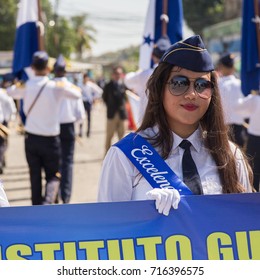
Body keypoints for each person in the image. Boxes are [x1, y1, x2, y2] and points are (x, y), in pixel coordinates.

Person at [98, 35, 253, 216]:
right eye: (179, 83)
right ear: (159, 89)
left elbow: (246, 229)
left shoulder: (231, 156)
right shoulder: (125, 156)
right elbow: (107, 230)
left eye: (202, 85)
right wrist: (143, 215)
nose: (192, 94)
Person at [7, 51, 82, 205]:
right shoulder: (56, 87)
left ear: (33, 67)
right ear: (48, 68)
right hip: (51, 140)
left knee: (34, 176)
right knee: (53, 175)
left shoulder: (26, 86)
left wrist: (24, 80)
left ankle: (37, 209)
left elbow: (10, 91)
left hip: (31, 139)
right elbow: (77, 94)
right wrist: (62, 82)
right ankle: (48, 204)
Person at [53, 54, 86, 204]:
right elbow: (80, 115)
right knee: (67, 163)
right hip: (68, 128)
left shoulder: (48, 86)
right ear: (65, 71)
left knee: (53, 162)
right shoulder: (73, 88)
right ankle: (65, 196)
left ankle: (53, 193)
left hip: (52, 128)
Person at [124, 35, 171, 127]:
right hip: (169, 123)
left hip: (147, 122)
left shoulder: (144, 74)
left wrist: (140, 71)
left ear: (152, 56)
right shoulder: (175, 75)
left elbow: (127, 81)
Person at [217, 53, 247, 148]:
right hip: (239, 128)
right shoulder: (241, 84)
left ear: (221, 66)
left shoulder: (217, 85)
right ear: (233, 67)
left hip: (222, 127)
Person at [234, 91, 260, 192]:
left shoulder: (254, 99)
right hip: (254, 137)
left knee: (253, 171)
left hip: (254, 139)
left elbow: (237, 108)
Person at [102, 65, 128, 155]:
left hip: (122, 115)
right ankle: (106, 155)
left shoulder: (124, 85)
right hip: (112, 115)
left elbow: (127, 99)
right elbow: (104, 98)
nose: (118, 75)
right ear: (112, 74)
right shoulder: (108, 86)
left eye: (119, 73)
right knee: (109, 136)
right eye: (116, 73)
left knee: (122, 137)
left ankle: (121, 156)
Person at [79, 71, 103, 138]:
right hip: (82, 102)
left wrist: (94, 97)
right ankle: (80, 131)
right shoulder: (80, 85)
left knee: (89, 118)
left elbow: (99, 91)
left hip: (88, 103)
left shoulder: (90, 85)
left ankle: (88, 132)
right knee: (81, 117)